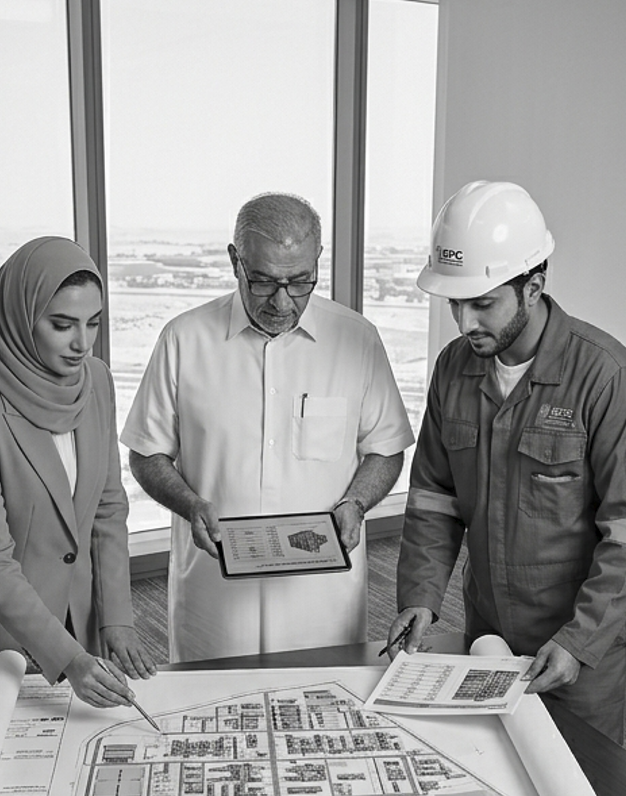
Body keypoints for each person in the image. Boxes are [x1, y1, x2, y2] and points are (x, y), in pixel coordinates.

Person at [121, 192, 414, 663]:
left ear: (318, 262)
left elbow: (385, 448)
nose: (282, 301)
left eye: (300, 282)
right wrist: (190, 505)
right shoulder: (183, 339)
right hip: (215, 606)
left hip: (323, 606)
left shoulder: (358, 340)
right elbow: (146, 453)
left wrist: (357, 503)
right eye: (263, 281)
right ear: (235, 261)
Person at [388, 180, 626, 742]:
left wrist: (578, 640)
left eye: (483, 303)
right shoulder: (455, 369)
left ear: (533, 287)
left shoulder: (604, 376)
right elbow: (433, 499)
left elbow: (624, 533)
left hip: (580, 648)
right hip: (489, 635)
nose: (465, 322)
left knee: (583, 777)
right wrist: (421, 597)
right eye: (454, 302)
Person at [0, 236, 156, 707]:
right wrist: (68, 657)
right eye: (61, 325)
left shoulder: (98, 381)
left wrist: (117, 617)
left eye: (93, 323)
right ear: (21, 317)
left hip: (77, 622)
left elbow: (108, 508)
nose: (82, 343)